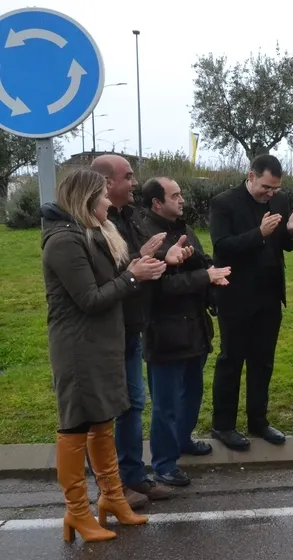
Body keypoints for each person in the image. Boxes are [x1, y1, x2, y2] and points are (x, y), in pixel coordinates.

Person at [41, 169, 162, 542]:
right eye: (103, 196)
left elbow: (107, 283)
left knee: (103, 422)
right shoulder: (64, 241)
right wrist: (132, 277)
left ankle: (112, 499)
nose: (110, 202)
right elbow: (91, 299)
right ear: (88, 200)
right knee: (76, 425)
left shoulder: (92, 234)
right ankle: (77, 512)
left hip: (102, 345)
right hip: (78, 349)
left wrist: (137, 264)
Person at [208, 154, 293, 451]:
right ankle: (223, 425)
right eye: (266, 187)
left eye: (275, 189)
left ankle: (258, 420)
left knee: (262, 361)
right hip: (235, 294)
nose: (270, 194)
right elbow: (222, 247)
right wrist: (259, 233)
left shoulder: (279, 202)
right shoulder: (224, 203)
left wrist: (291, 231)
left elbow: (281, 244)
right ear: (251, 176)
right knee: (232, 360)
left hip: (269, 295)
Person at [91, 155, 176, 505]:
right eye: (128, 177)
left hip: (132, 325)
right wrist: (138, 263)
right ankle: (109, 487)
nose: (134, 183)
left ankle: (133, 476)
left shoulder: (129, 216)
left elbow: (133, 263)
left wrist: (161, 259)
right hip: (106, 331)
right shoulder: (92, 225)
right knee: (107, 409)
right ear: (107, 183)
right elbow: (103, 276)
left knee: (133, 403)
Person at [139, 177, 231, 487]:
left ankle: (182, 440)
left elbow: (201, 266)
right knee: (165, 403)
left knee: (191, 393)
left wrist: (213, 276)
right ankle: (164, 463)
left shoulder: (184, 228)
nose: (181, 200)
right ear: (156, 203)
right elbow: (159, 286)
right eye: (174, 195)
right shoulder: (147, 235)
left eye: (180, 194)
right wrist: (204, 276)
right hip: (165, 333)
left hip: (194, 329)